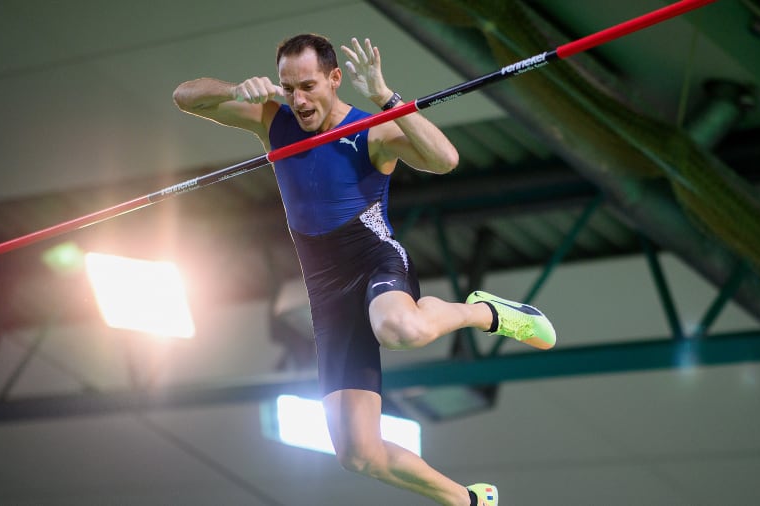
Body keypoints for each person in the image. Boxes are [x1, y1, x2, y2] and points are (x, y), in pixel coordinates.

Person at [173, 33, 555, 506]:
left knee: (401, 328)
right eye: (288, 87)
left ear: (335, 79)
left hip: (372, 258)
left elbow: (446, 159)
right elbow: (184, 96)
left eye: (309, 86)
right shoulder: (273, 119)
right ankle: (469, 501)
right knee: (357, 454)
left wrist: (387, 99)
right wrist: (237, 90)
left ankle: (484, 312)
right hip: (325, 290)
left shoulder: (373, 129)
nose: (299, 99)